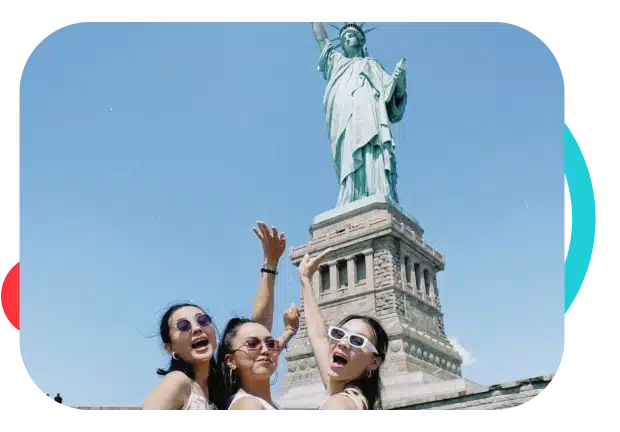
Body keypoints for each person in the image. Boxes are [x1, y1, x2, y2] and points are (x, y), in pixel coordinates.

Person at [143, 221, 287, 412]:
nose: (197, 328)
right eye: (184, 326)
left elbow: (257, 328)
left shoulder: (219, 387)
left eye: (203, 321)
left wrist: (270, 265)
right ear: (170, 348)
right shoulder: (178, 382)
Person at [310, 21, 407, 207]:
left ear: (362, 41)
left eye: (351, 35)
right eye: (343, 37)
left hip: (370, 113)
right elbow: (322, 40)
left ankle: (378, 189)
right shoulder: (337, 63)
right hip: (344, 118)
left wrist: (400, 85)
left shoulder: (372, 65)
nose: (347, 39)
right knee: (349, 153)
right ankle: (351, 193)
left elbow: (393, 99)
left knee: (372, 148)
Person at [298, 248, 389, 411]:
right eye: (339, 334)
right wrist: (306, 279)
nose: (343, 343)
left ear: (374, 362)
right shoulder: (340, 388)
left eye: (357, 340)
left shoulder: (339, 403)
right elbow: (318, 336)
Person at [216, 304, 300, 412]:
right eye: (252, 344)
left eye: (270, 344)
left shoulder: (271, 404)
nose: (266, 350)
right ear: (231, 361)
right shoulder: (247, 405)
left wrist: (290, 330)